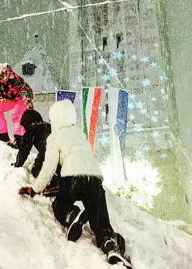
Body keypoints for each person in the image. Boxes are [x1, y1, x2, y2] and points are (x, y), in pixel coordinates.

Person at [19, 100, 132, 268]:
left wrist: (34, 189)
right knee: (100, 216)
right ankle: (109, 243)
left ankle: (72, 215)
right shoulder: (80, 134)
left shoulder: (54, 137)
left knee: (60, 205)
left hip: (72, 178)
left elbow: (49, 167)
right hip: (94, 178)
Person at [0, 63, 33, 147]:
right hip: (10, 99)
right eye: (0, 77)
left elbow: (26, 90)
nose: (3, 79)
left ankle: (19, 137)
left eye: (4, 76)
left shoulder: (16, 80)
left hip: (21, 98)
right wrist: (1, 97)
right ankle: (1, 134)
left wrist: (28, 103)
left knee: (17, 114)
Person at [12, 109, 51, 177]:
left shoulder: (32, 128)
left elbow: (24, 149)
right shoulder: (48, 125)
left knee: (36, 171)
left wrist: (18, 164)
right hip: (59, 155)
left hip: (50, 155)